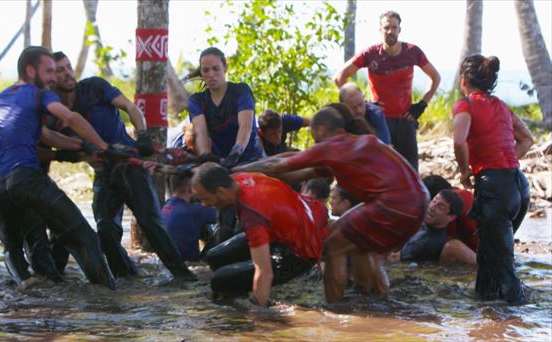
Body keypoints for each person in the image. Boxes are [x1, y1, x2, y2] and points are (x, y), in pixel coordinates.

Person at [233, 104, 428, 303]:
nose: (315, 145)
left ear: (320, 129)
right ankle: (375, 302)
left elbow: (277, 165)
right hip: (418, 202)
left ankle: (334, 308)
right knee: (360, 245)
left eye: (315, 138)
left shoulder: (334, 145)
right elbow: (295, 169)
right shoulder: (352, 146)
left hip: (395, 203)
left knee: (334, 243)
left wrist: (234, 170)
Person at [0, 46, 119, 289]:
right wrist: (104, 147)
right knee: (84, 236)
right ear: (30, 70)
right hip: (25, 179)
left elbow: (46, 135)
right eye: (49, 72)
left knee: (13, 249)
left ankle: (33, 292)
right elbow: (70, 118)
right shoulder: (38, 94)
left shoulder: (0, 99)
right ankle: (110, 301)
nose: (53, 78)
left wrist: (84, 147)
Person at [52, 51, 195, 280]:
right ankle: (128, 278)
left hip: (131, 168)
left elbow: (131, 108)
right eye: (60, 70)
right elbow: (69, 148)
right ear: (51, 77)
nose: (68, 73)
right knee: (106, 230)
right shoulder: (55, 109)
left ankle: (184, 276)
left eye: (68, 67)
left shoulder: (94, 87)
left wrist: (143, 136)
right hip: (104, 173)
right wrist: (87, 158)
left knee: (151, 224)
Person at [453, 55, 534, 305]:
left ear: (463, 80)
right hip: (519, 187)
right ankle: (484, 306)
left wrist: (464, 170)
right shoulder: (500, 105)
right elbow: (527, 139)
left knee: (503, 265)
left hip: (495, 190)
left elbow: (458, 139)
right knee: (488, 256)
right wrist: (505, 164)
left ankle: (515, 322)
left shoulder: (465, 105)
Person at [191, 163, 328, 306]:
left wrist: (259, 318)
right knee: (214, 256)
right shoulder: (238, 179)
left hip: (299, 253)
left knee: (219, 280)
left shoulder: (252, 215)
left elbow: (264, 273)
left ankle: (239, 296)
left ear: (220, 192)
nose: (203, 204)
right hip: (289, 225)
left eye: (205, 199)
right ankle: (238, 286)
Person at [334, 10, 440, 171]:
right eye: (386, 27)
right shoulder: (370, 54)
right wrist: (362, 103)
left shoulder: (412, 52)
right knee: (381, 170)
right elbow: (339, 78)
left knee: (410, 171)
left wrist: (421, 105)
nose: (390, 31)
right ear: (380, 30)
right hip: (379, 120)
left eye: (394, 27)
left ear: (399, 29)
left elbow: (435, 78)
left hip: (406, 119)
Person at [188, 47, 264, 168]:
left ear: (225, 68)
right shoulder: (196, 100)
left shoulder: (241, 91)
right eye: (206, 70)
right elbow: (201, 132)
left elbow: (245, 127)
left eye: (216, 69)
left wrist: (236, 152)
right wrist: (205, 157)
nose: (211, 74)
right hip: (220, 164)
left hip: (251, 160)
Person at [396, 190, 466, 263]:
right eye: (434, 201)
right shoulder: (422, 225)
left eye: (440, 207)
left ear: (451, 217)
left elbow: (392, 259)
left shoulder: (425, 245)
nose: (432, 207)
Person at [422, 174, 478, 263]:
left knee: (450, 248)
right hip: (487, 249)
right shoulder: (460, 193)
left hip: (478, 255)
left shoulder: (452, 206)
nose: (431, 207)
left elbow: (444, 238)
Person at [161, 174, 217, 262]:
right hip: (190, 265)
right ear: (191, 189)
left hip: (169, 262)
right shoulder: (194, 211)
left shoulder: (166, 207)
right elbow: (221, 214)